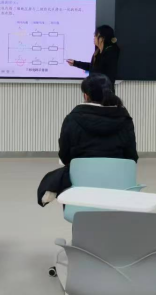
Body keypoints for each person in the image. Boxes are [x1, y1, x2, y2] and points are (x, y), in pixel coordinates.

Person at [37, 73, 138, 205]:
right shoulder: (125, 119)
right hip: (117, 195)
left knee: (61, 174)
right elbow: (132, 158)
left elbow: (65, 156)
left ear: (86, 96)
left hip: (80, 197)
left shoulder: (72, 119)